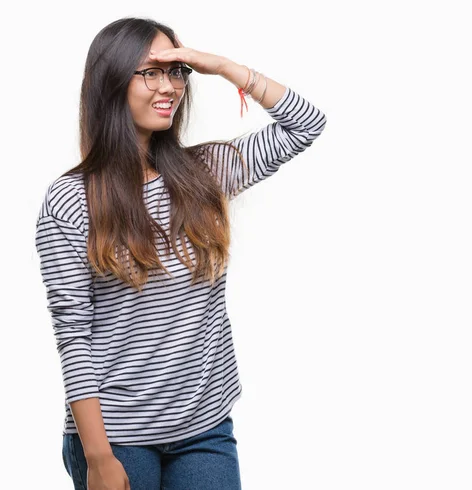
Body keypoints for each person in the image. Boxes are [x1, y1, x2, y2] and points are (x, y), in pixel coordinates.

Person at [35, 16, 327, 490]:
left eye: (176, 71)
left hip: (204, 428)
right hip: (118, 436)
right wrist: (98, 456)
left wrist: (220, 66)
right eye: (150, 72)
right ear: (111, 80)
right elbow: (73, 334)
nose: (168, 85)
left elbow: (305, 124)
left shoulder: (204, 174)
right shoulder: (71, 201)